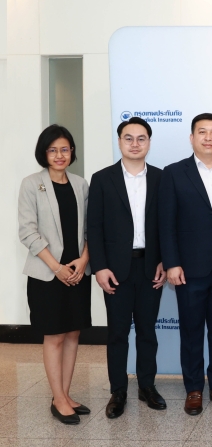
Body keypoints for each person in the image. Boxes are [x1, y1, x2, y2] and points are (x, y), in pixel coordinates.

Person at [159, 113, 212, 415]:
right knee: (191, 332)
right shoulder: (174, 173)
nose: (208, 137)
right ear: (191, 138)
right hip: (188, 269)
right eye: (202, 132)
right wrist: (171, 263)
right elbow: (166, 223)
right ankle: (193, 388)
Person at [88, 117, 167, 419]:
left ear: (149, 142)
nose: (135, 144)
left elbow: (168, 225)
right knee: (118, 333)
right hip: (115, 270)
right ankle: (118, 391)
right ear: (119, 141)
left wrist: (166, 261)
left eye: (141, 138)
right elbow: (94, 227)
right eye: (128, 138)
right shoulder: (102, 179)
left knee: (147, 331)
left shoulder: (161, 178)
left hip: (150, 266)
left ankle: (147, 386)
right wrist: (99, 267)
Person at [18, 124, 92, 425]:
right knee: (55, 336)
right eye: (53, 150)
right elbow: (27, 232)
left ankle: (65, 394)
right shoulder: (31, 184)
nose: (59, 155)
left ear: (72, 151)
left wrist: (84, 260)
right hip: (48, 275)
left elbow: (89, 229)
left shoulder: (80, 184)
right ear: (44, 153)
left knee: (73, 333)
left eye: (64, 149)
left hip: (77, 273)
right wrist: (57, 267)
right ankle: (58, 399)